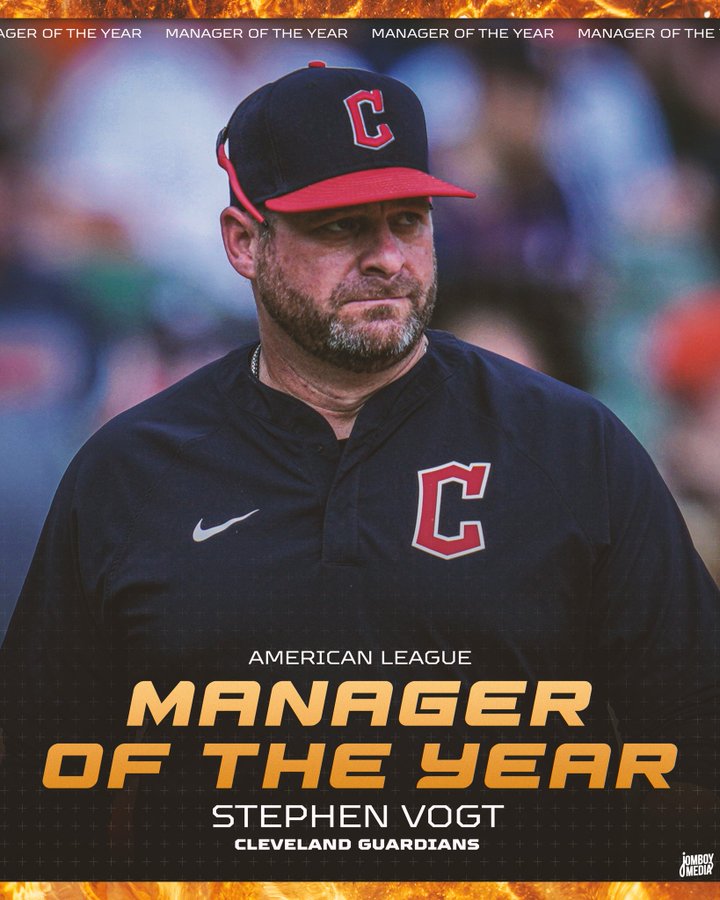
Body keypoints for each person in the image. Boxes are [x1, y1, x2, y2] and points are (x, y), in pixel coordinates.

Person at [1, 61, 718, 883]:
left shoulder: (571, 445)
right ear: (244, 242)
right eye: (339, 226)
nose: (387, 258)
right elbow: (39, 799)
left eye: (408, 220)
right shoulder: (131, 471)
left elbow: (696, 750)